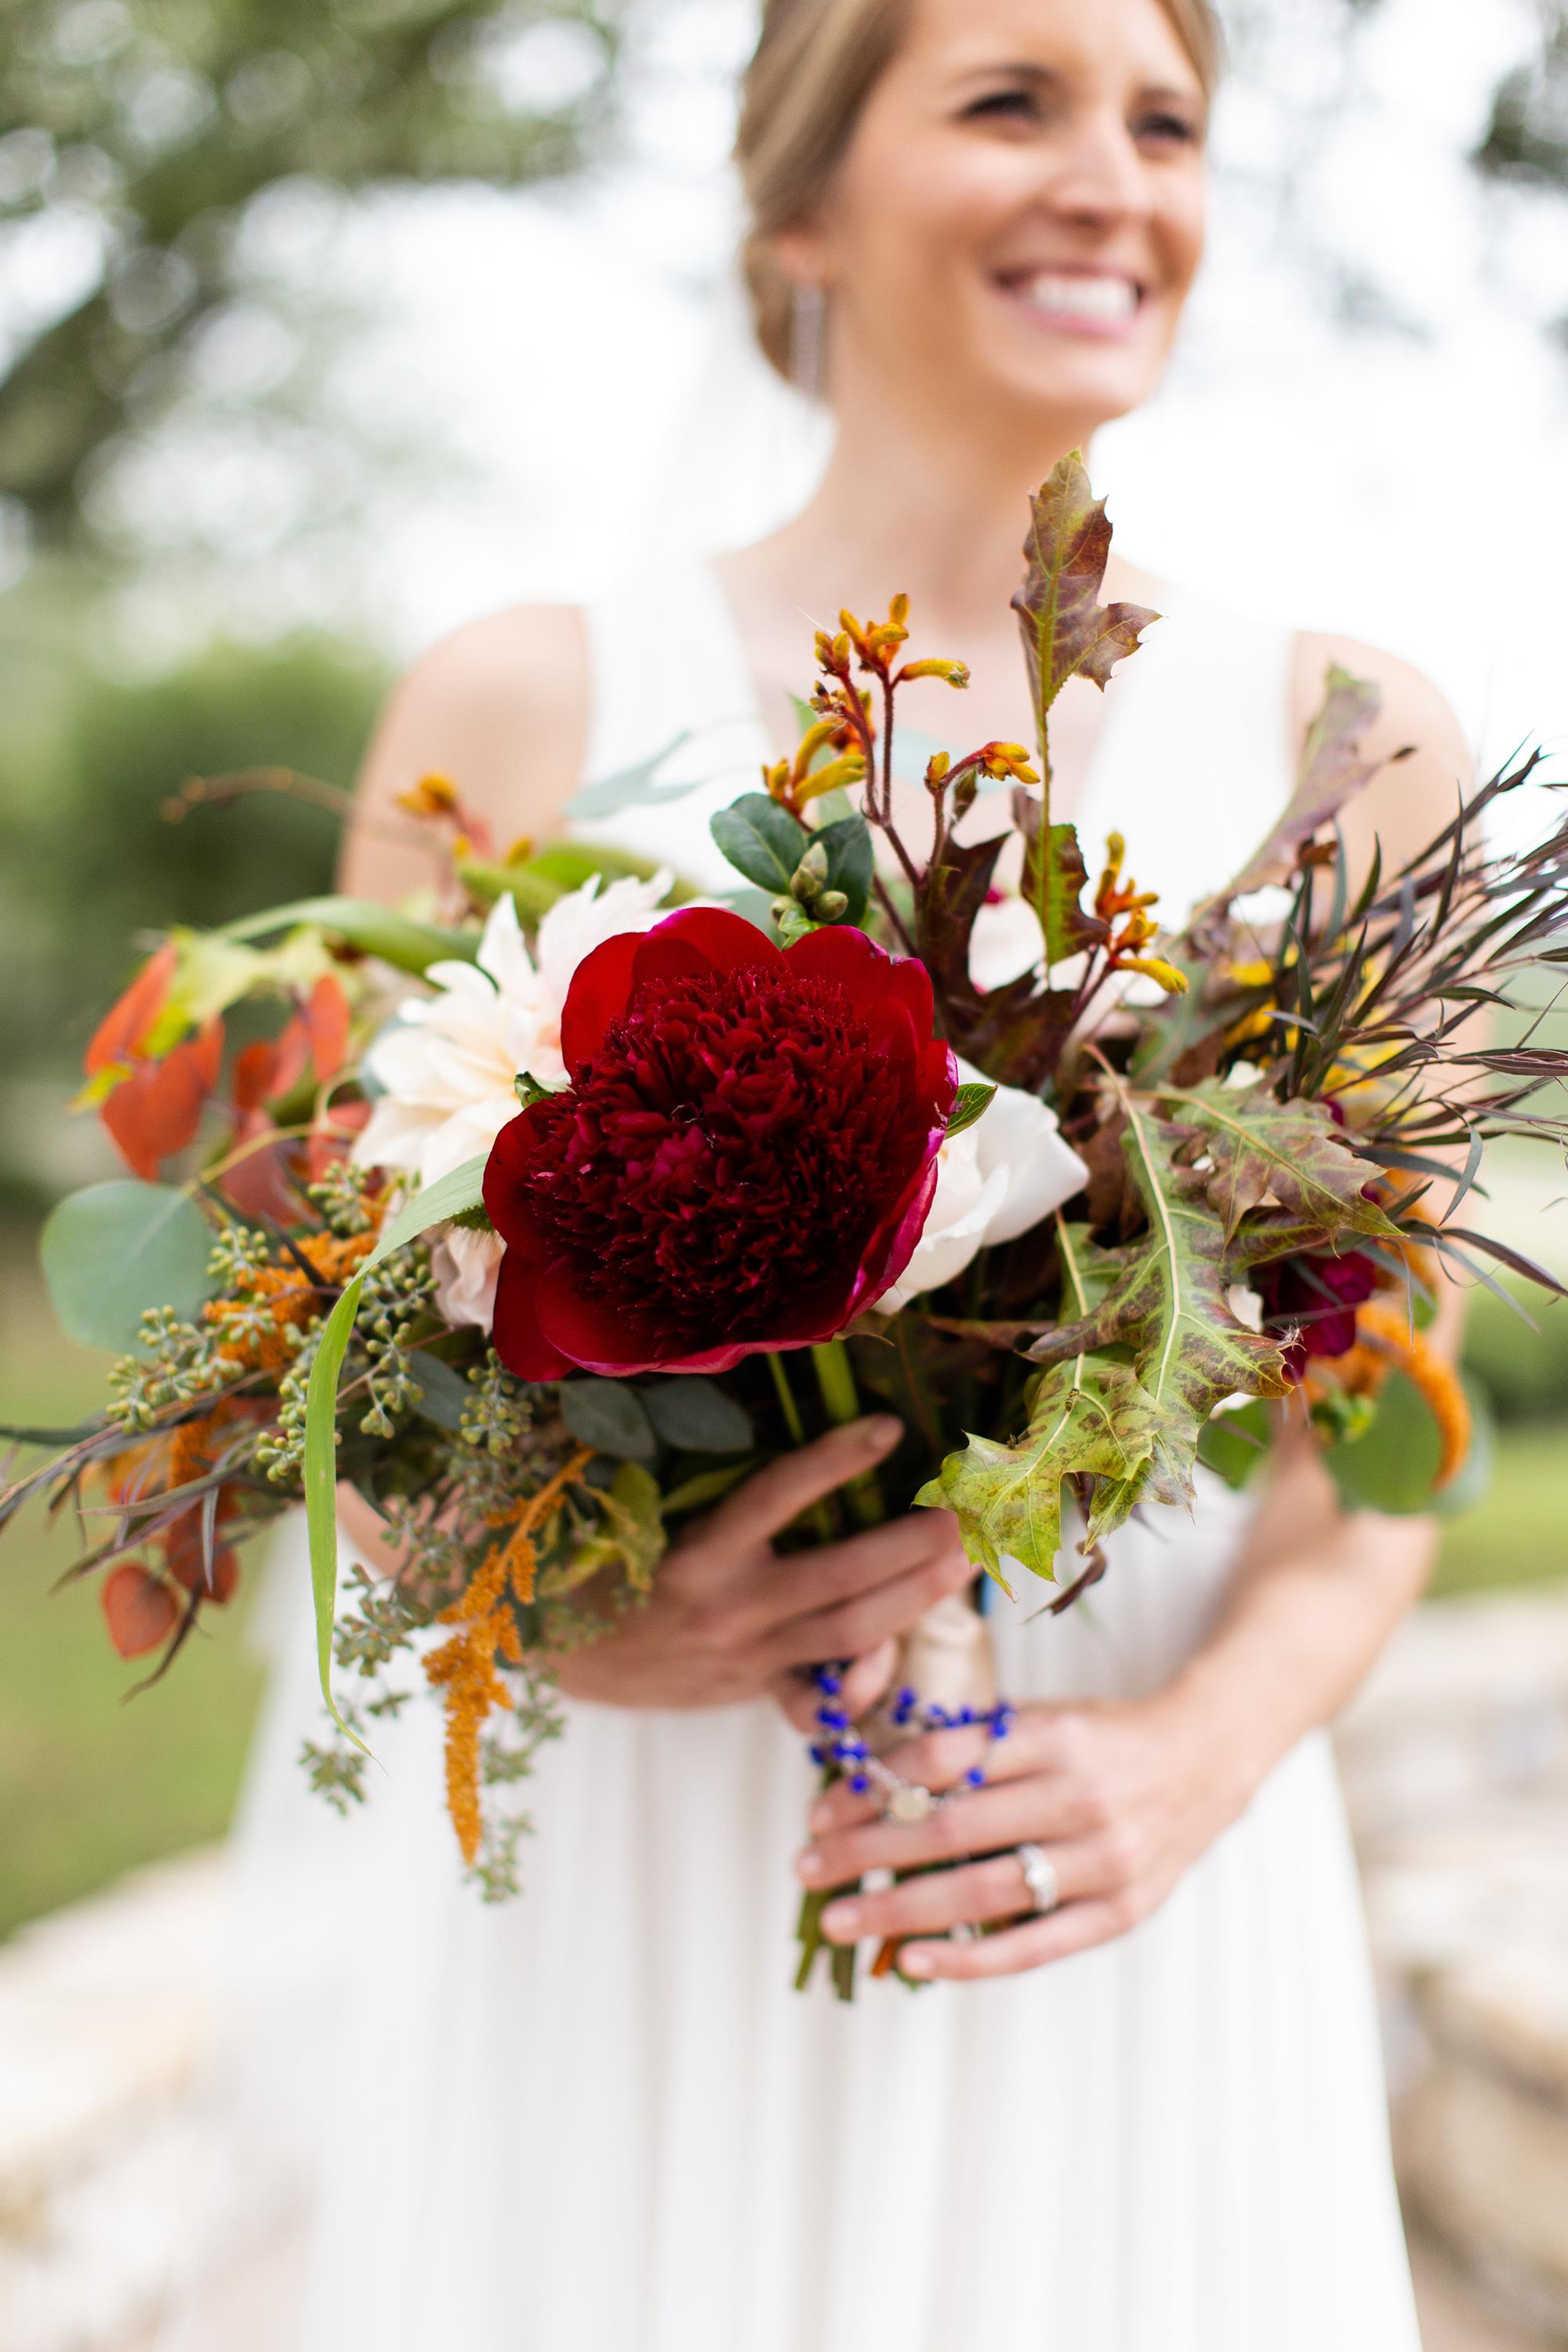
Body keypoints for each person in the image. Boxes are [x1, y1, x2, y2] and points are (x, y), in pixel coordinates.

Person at [286, 1, 1471, 2343]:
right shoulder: (517, 705)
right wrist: (562, 1626)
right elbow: (343, 1356)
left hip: (1114, 1858)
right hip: (641, 1886)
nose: (1113, 179)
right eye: (1010, 102)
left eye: (1167, 121)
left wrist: (1190, 1764)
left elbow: (1395, 1434)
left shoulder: (1351, 744)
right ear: (799, 198)